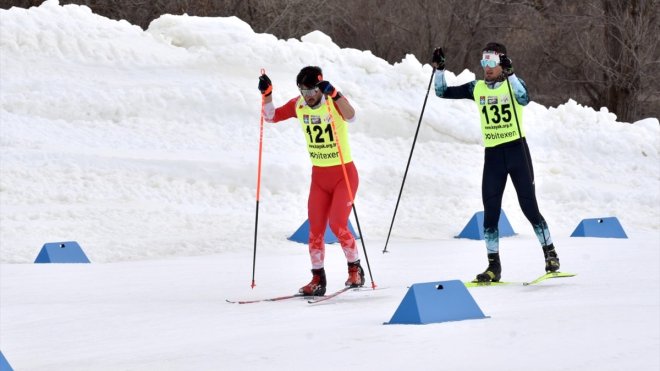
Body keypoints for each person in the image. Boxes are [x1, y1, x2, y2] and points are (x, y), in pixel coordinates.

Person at [430, 42, 560, 282]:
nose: (487, 68)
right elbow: (441, 92)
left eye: (491, 62)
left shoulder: (512, 85)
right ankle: (493, 266)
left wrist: (511, 75)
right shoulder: (477, 88)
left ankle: (550, 253)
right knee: (490, 213)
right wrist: (439, 70)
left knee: (529, 207)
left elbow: (524, 98)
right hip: (493, 157)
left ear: (502, 63)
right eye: (483, 62)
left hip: (517, 152)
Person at [258, 66, 365, 295]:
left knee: (337, 224)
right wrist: (267, 95)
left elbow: (352, 116)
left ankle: (355, 269)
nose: (307, 96)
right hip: (319, 176)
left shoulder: (331, 101)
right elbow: (270, 117)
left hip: (343, 174)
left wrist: (336, 94)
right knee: (315, 230)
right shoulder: (299, 105)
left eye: (311, 91)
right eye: (303, 91)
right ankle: (318, 279)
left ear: (320, 86)